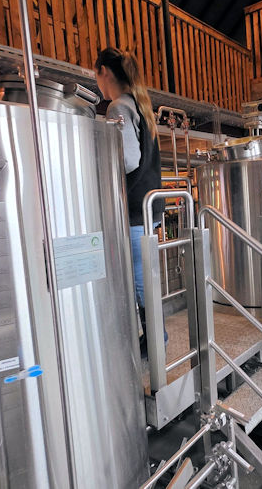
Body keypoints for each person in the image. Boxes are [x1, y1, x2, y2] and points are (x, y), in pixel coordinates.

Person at [94, 47, 165, 350]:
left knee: (138, 279)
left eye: (95, 75)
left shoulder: (118, 107)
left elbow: (128, 161)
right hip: (149, 206)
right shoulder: (140, 104)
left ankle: (155, 341)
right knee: (145, 275)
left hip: (135, 208)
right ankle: (155, 337)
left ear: (103, 72)